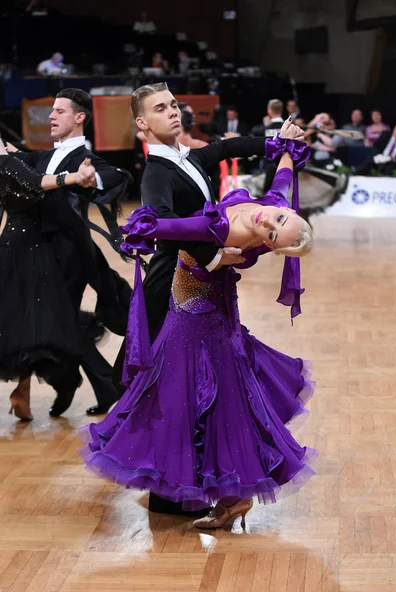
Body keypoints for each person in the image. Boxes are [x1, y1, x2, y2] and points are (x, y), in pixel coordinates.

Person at [80, 125, 317, 530]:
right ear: (288, 209)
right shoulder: (273, 203)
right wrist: (287, 147)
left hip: (194, 319)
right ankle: (230, 498)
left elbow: (174, 230)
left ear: (271, 246)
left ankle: (216, 493)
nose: (268, 223)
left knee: (184, 400)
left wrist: (144, 228)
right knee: (218, 400)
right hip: (211, 316)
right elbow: (281, 177)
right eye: (278, 218)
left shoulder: (227, 234)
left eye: (273, 236)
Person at [7, 88, 133, 418]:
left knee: (58, 324)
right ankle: (85, 383)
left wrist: (93, 180)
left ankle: (92, 382)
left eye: (59, 111)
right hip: (46, 252)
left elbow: (116, 177)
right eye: (52, 110)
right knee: (58, 325)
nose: (51, 116)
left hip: (70, 252)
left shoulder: (84, 159)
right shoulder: (48, 156)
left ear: (79, 117)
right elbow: (19, 160)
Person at [0, 138, 99, 420]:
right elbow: (36, 181)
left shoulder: (9, 157)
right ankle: (29, 389)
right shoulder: (5, 163)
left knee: (21, 324)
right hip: (30, 251)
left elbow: (27, 161)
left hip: (13, 246)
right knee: (38, 324)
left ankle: (23, 391)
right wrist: (75, 177)